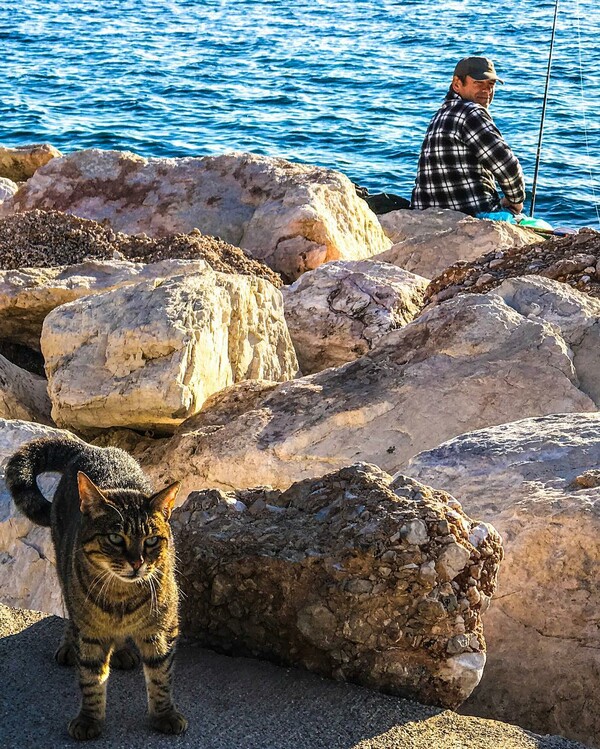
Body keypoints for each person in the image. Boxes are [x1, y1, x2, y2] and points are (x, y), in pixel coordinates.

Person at [411, 56, 526, 217]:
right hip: (470, 215)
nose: (486, 90)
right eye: (479, 83)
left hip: (427, 215)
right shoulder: (470, 113)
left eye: (491, 84)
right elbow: (507, 165)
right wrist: (515, 200)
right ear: (457, 84)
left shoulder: (440, 115)